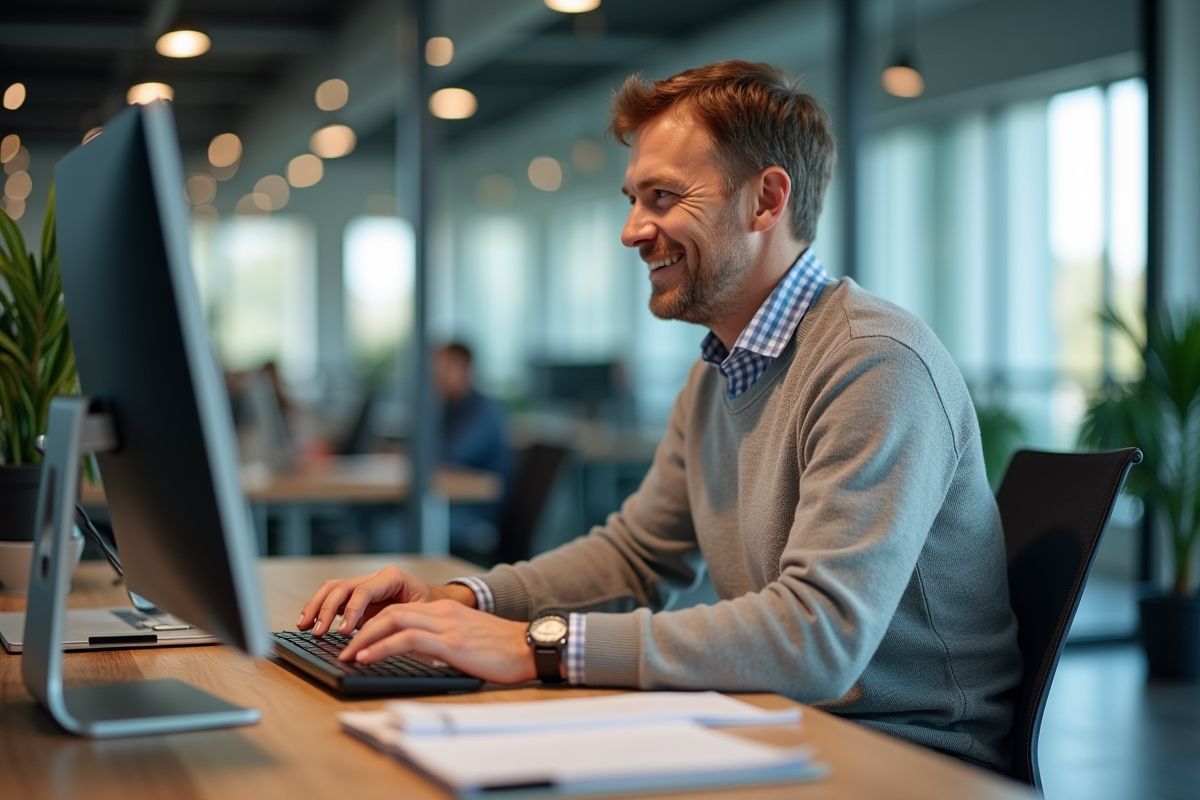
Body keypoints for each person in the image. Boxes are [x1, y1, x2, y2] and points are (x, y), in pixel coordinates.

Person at [299, 61, 1022, 770]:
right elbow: (637, 557)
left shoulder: (874, 362)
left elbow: (818, 636)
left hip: (904, 758)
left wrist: (537, 645)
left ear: (766, 200)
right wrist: (464, 599)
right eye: (632, 199)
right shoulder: (716, 374)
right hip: (776, 724)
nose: (632, 230)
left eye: (663, 197)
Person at [433, 342, 513, 555]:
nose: (436, 375)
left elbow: (450, 456)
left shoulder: (482, 412)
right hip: (448, 506)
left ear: (464, 368)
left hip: (476, 517)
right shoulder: (452, 409)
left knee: (392, 532)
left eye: (443, 367)